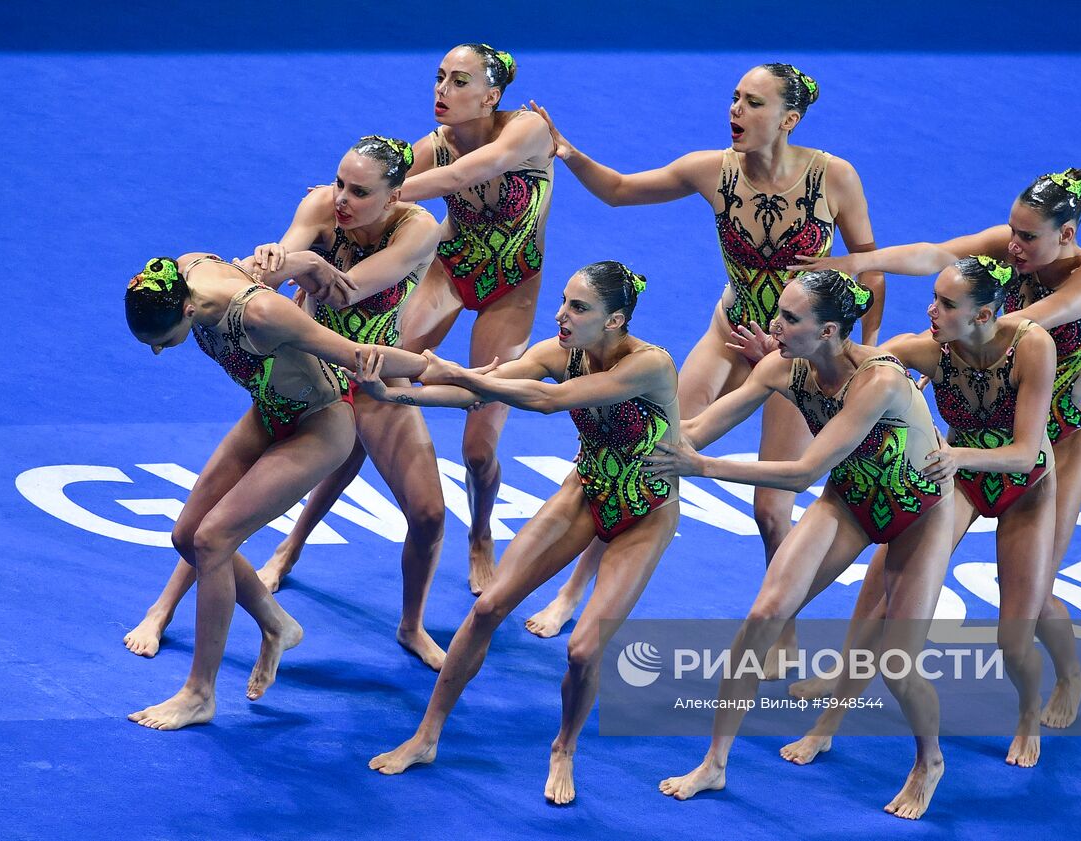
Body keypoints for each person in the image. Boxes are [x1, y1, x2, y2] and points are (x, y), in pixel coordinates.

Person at [524, 65, 881, 673]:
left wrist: (861, 353)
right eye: (735, 99)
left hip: (794, 355)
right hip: (731, 333)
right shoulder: (711, 171)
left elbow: (871, 271)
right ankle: (573, 590)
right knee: (649, 456)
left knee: (771, 511)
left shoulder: (834, 177)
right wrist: (568, 152)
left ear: (789, 119)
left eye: (754, 103)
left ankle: (781, 626)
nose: (736, 111)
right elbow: (617, 190)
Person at [798, 168, 1081, 727]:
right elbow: (935, 254)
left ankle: (1069, 673)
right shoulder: (1010, 250)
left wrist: (950, 349)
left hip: (1057, 439)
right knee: (897, 551)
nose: (1013, 245)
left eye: (1028, 237)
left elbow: (1015, 323)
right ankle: (848, 667)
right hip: (975, 432)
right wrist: (851, 264)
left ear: (1066, 235)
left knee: (1035, 590)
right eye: (1012, 232)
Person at [123, 137, 451, 670]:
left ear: (394, 196)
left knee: (430, 512)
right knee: (213, 524)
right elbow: (262, 285)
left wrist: (300, 262)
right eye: (339, 182)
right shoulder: (322, 204)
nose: (340, 198)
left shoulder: (419, 230)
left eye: (359, 191)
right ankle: (167, 606)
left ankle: (411, 626)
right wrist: (274, 261)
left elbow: (347, 291)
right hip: (299, 373)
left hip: (368, 368)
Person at [364, 261, 680, 806]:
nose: (561, 314)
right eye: (563, 300)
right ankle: (427, 735)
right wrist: (397, 397)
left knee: (583, 651)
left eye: (578, 308)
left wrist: (460, 373)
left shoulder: (651, 365)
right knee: (487, 608)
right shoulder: (558, 352)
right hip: (587, 490)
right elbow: (480, 394)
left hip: (647, 511)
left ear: (615, 320)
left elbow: (551, 400)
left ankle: (564, 747)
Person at [646, 271, 953, 819]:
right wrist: (635, 430)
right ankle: (715, 763)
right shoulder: (781, 366)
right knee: (764, 614)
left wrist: (701, 468)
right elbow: (700, 427)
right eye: (778, 314)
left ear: (830, 330)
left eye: (790, 318)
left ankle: (929, 761)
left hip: (919, 514)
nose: (773, 326)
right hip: (851, 502)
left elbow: (802, 472)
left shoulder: (878, 381)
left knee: (898, 665)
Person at [122, 254, 448, 729]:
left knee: (212, 540)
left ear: (188, 312)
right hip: (268, 410)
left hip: (319, 425)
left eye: (163, 342)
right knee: (186, 536)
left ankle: (199, 694)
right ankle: (277, 624)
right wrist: (295, 259)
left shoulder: (260, 315)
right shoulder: (183, 270)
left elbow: (358, 356)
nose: (158, 351)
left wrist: (442, 371)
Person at [778, 257, 1057, 768]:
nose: (932, 309)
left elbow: (1023, 451)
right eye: (934, 297)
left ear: (984, 314)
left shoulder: (1032, 346)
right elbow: (850, 361)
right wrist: (787, 356)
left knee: (1014, 637)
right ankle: (828, 724)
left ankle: (1026, 714)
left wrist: (957, 455)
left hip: (1024, 486)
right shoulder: (919, 350)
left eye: (948, 304)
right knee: (876, 605)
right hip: (953, 481)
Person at [393, 43, 556, 594]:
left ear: (492, 96)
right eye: (439, 77)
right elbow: (363, 201)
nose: (442, 90)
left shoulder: (528, 128)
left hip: (512, 291)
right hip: (449, 271)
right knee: (366, 381)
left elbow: (472, 172)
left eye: (459, 82)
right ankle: (294, 539)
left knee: (479, 449)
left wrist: (384, 193)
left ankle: (480, 534)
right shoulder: (429, 148)